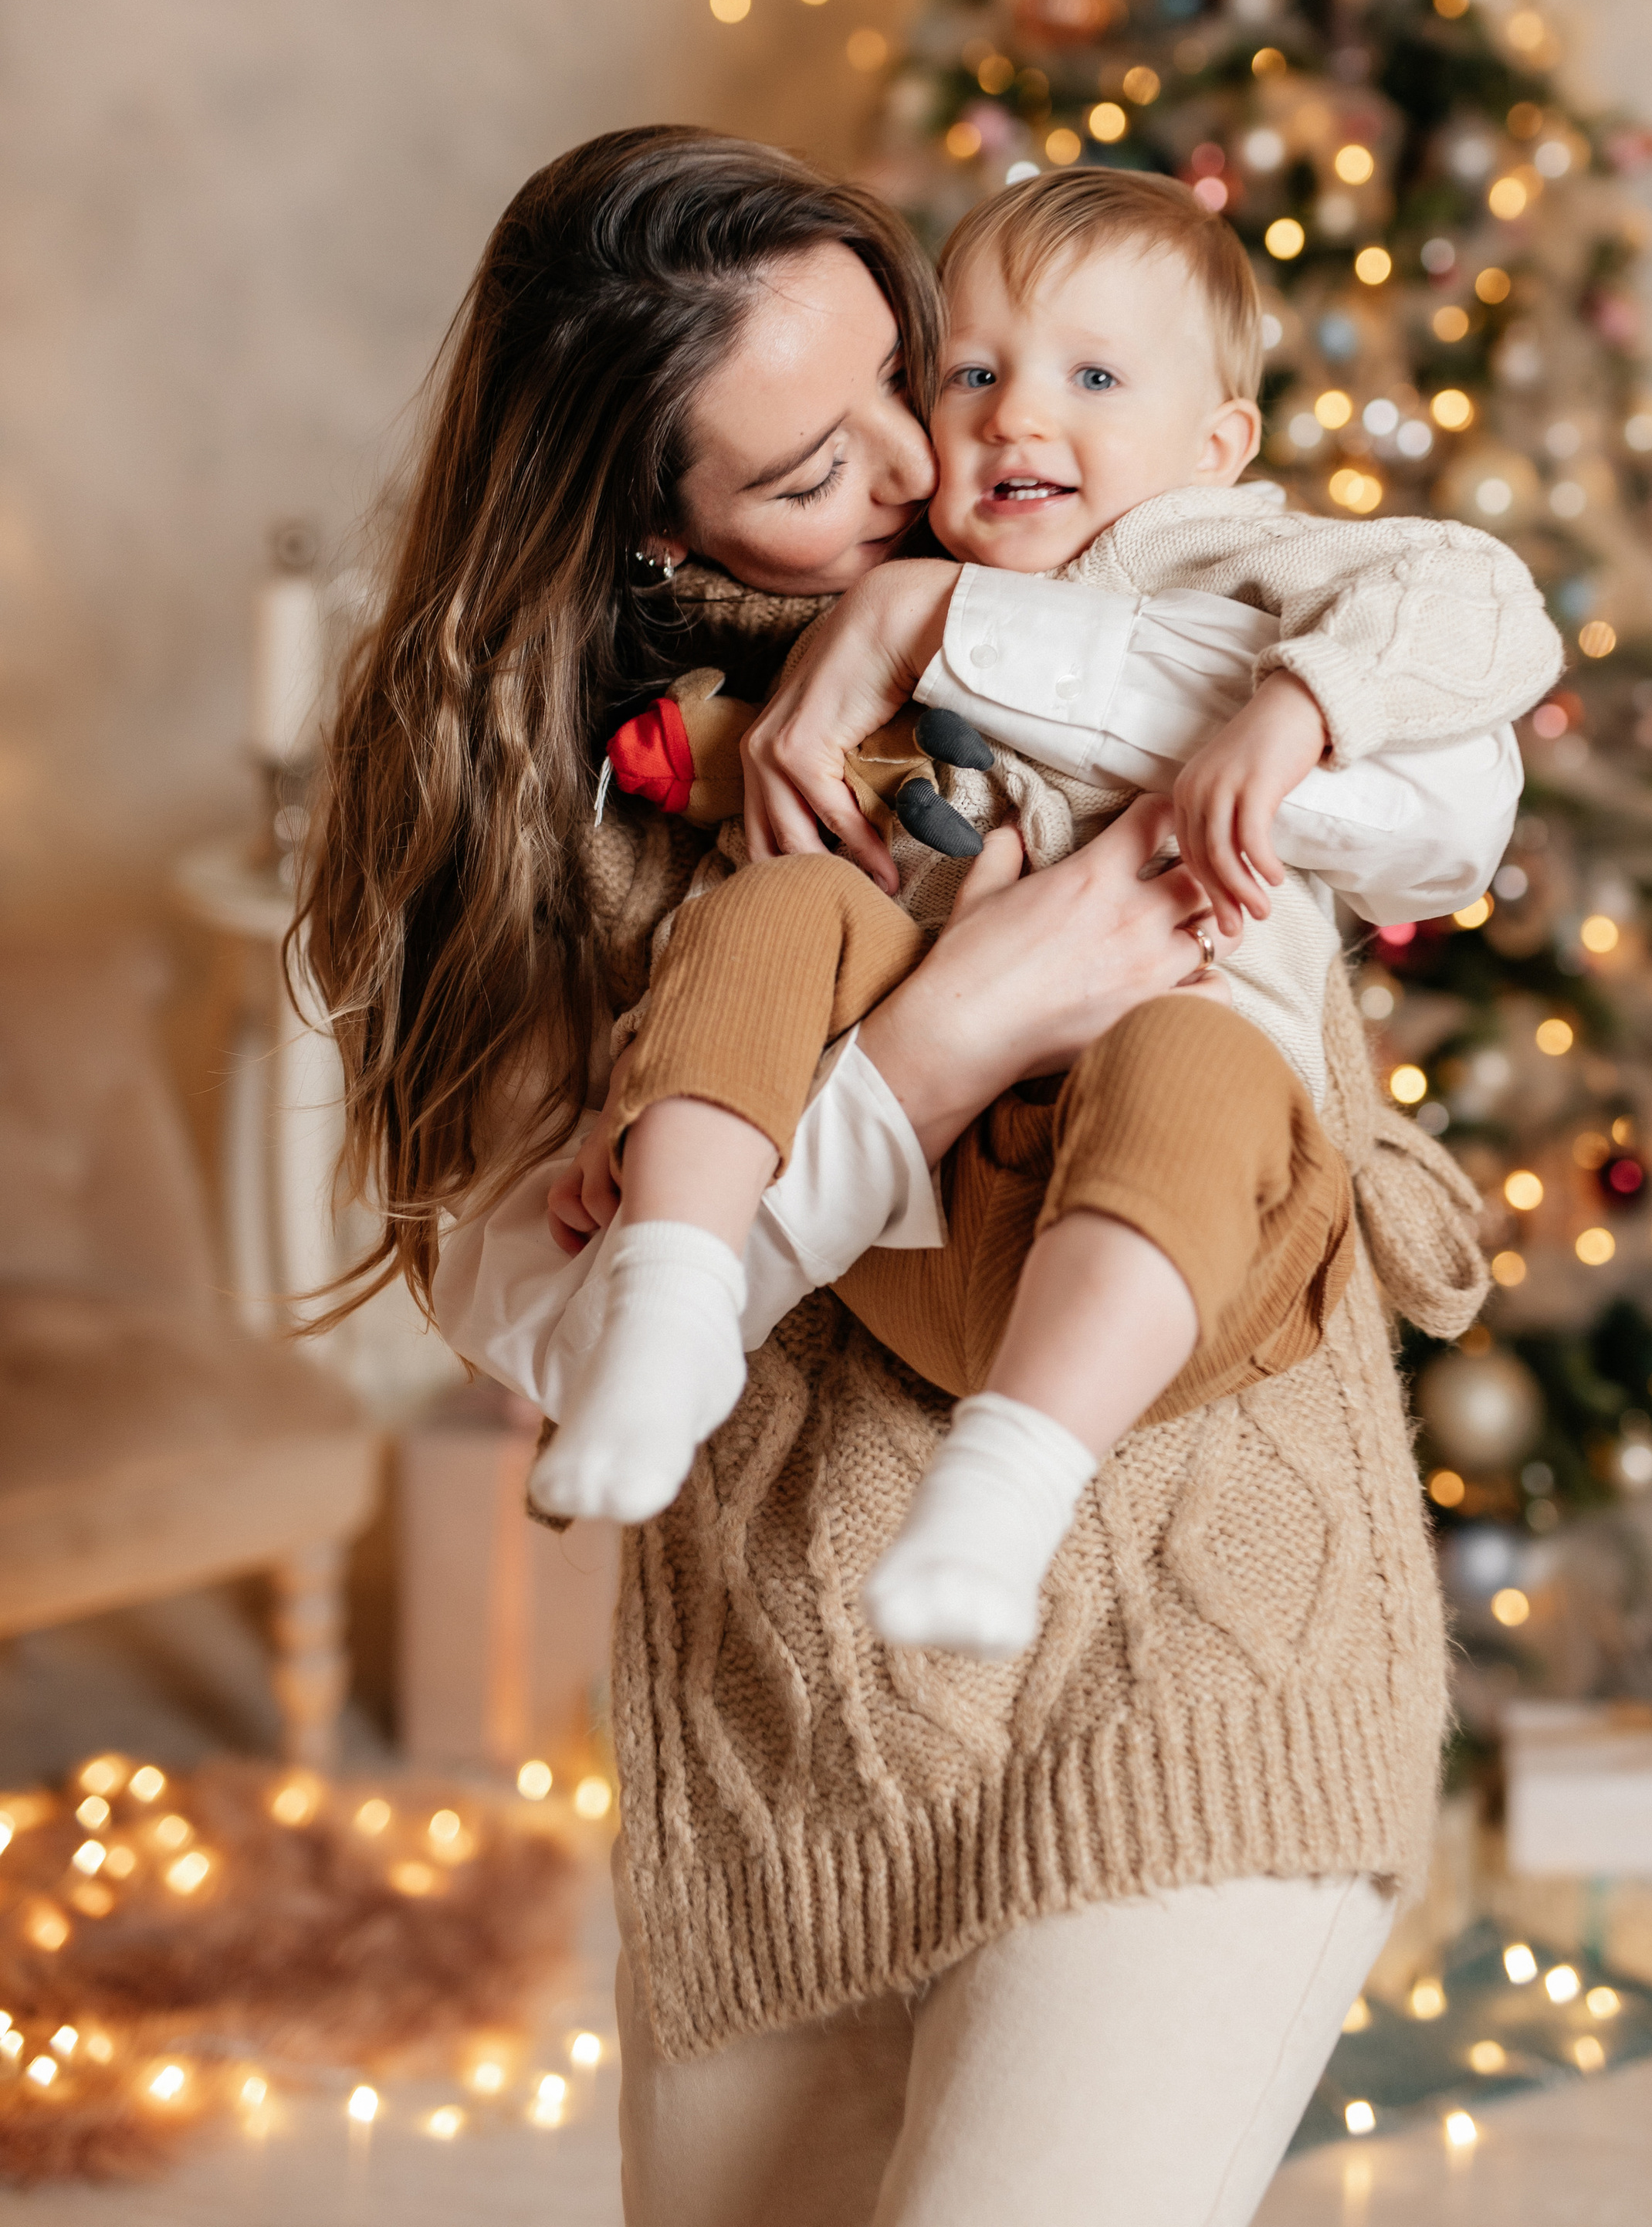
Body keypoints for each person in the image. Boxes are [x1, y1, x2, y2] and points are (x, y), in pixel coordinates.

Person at [302, 127, 1535, 2227]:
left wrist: (929, 621)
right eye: (812, 476)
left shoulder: (1122, 580)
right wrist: (944, 1039)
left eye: (909, 367)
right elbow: (552, 1322)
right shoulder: (529, 808)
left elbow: (1446, 790)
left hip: (1194, 1633)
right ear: (633, 519)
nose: (921, 460)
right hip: (790, 1738)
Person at [532, 169, 1561, 1671]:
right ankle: (669, 1298)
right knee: (780, 904)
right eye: (970, 374)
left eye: (1089, 377)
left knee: (1193, 1060)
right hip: (909, 1229)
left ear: (1217, 447)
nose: (1011, 417)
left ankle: (1004, 1488)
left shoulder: (1234, 569)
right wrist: (656, 1093)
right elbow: (711, 865)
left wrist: (1295, 708)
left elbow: (1480, 614)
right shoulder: (826, 652)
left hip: (1164, 1237)